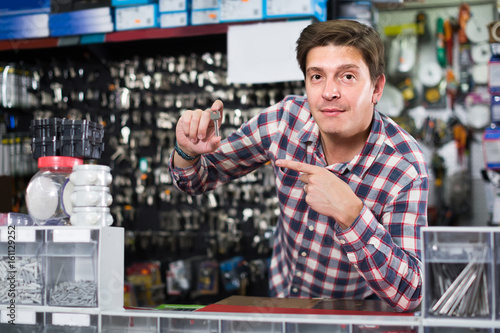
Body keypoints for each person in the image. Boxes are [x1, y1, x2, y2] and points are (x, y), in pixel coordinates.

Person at [168, 19, 428, 312]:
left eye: (348, 77)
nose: (329, 92)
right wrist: (187, 151)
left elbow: (412, 293)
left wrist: (351, 213)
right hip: (281, 298)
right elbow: (194, 180)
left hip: (353, 314)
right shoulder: (284, 121)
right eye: (317, 76)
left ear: (376, 88)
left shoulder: (404, 168)